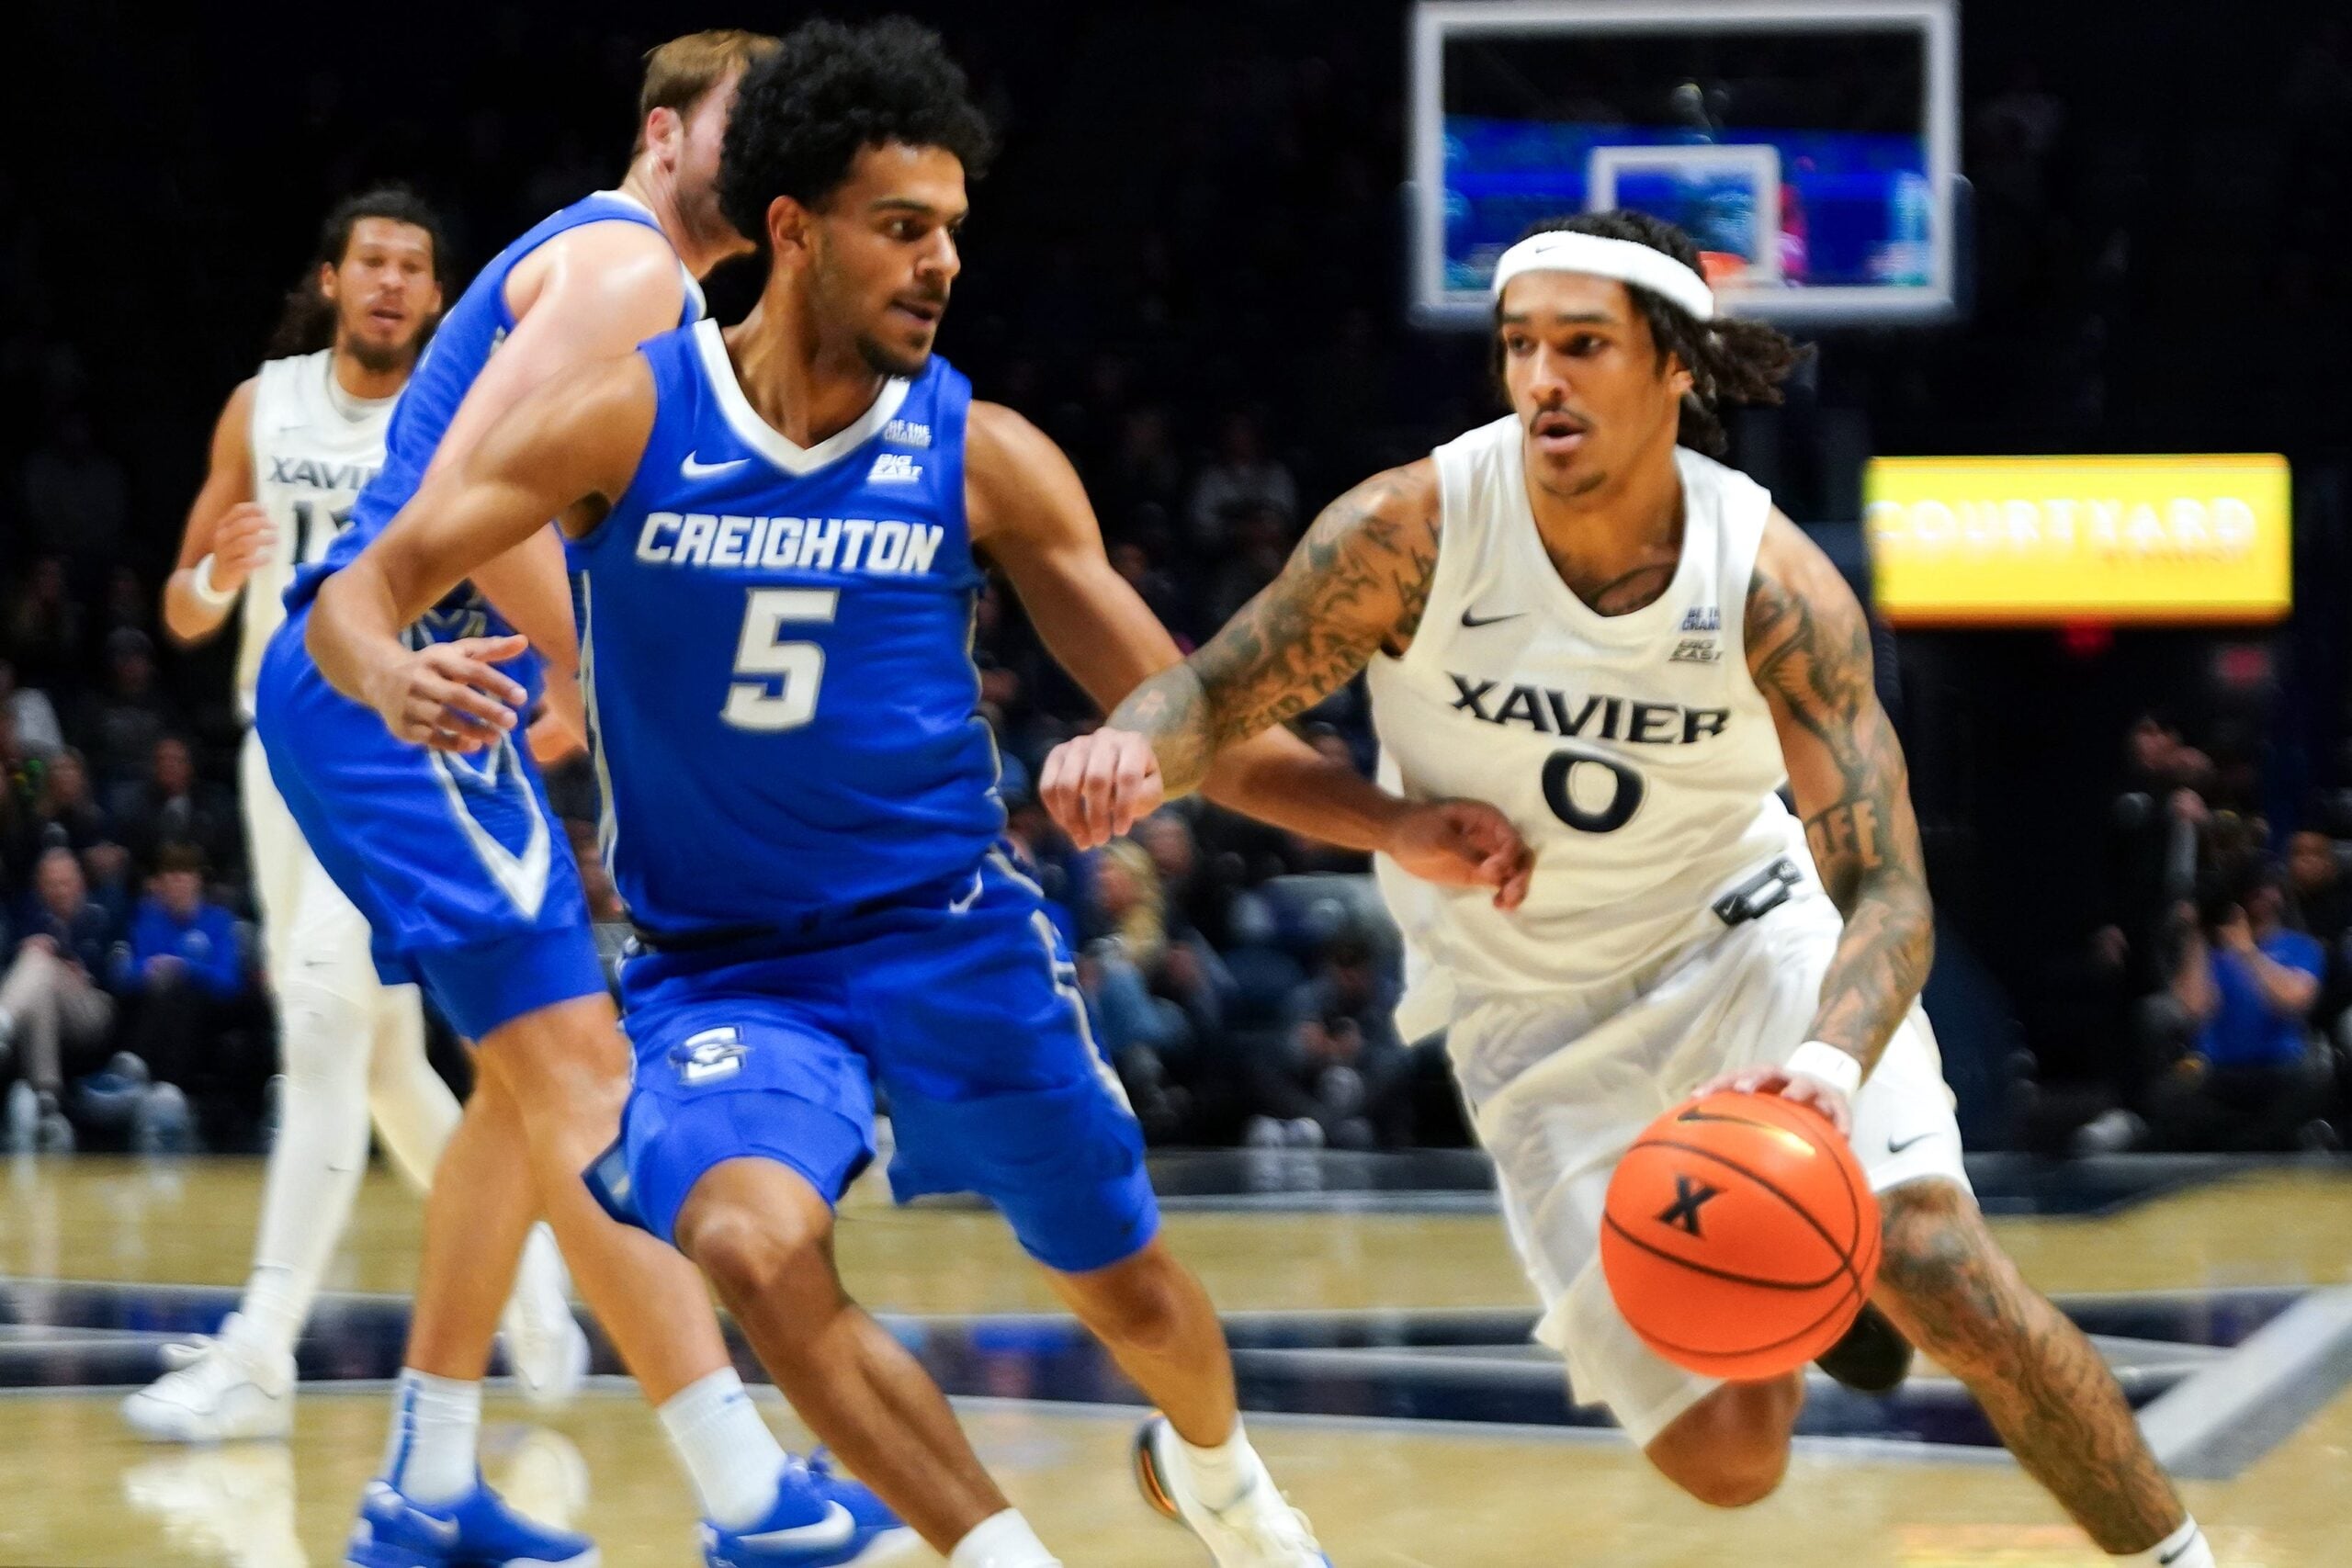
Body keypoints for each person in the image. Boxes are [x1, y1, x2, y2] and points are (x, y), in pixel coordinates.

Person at [305, 20, 1530, 1568]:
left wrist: (1396, 825)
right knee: (752, 1240)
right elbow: (369, 581)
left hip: (952, 935)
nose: (945, 261)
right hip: (728, 968)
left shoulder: (986, 457)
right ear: (796, 230)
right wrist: (387, 670)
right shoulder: (626, 414)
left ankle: (1223, 1483)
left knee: (1139, 1299)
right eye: (905, 227)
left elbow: (1191, 709)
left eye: (955, 229)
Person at [1042, 212, 2220, 1568]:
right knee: (1730, 1462)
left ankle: (2173, 1552)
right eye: (1519, 345)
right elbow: (1215, 689)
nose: (1542, 376)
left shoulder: (1776, 586)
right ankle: (1819, 1281)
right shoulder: (1409, 529)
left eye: (1582, 344)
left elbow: (1886, 886)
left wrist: (1834, 1059)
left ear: (1674, 367)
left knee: (1941, 1259)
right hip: (1529, 1014)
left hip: (1748, 950)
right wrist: (1136, 736)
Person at [255, 33, 908, 1568]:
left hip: (424, 691)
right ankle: (749, 1488)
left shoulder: (620, 275)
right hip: (393, 685)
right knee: (586, 1085)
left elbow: (505, 506)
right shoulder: (630, 273)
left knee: (514, 1092)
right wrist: (611, 684)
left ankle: (426, 1479)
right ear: (666, 131)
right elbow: (465, 501)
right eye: (752, 129)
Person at [126, 187, 586, 1445]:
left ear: (439, 298)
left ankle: (261, 1350)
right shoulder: (261, 406)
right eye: (370, 261)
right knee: (374, 1056)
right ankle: (533, 1280)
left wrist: (553, 711)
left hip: (402, 755)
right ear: (331, 279)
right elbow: (181, 607)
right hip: (281, 758)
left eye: (414, 266)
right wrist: (217, 571)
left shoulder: (469, 424)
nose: (391, 281)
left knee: (329, 1020)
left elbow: (544, 589)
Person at [0, 846, 119, 1151]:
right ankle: (46, 1101)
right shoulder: (29, 916)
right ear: (41, 887)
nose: (60, 890)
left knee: (39, 963)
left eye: (66, 881)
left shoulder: (100, 915)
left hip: (93, 1008)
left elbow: (111, 973)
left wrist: (68, 963)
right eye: (52, 883)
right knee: (40, 973)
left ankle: (3, 1021)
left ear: (79, 882)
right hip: (47, 1006)